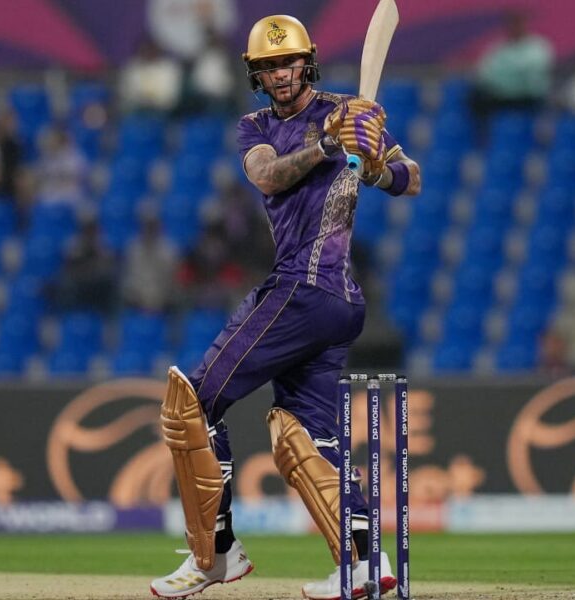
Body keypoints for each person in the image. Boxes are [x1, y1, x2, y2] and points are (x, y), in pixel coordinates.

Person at [149, 14, 421, 600]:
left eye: (287, 61)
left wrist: (375, 167)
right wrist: (330, 144)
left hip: (305, 288)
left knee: (192, 405)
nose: (279, 73)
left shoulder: (348, 110)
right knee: (304, 437)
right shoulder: (256, 128)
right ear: (256, 73)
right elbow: (269, 177)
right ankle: (365, 565)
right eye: (267, 65)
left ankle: (215, 555)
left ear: (308, 61)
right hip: (335, 303)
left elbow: (411, 178)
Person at [470, 10, 554, 120]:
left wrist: (507, 75)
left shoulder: (539, 46)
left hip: (529, 98)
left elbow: (532, 72)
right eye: (511, 23)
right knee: (474, 96)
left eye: (518, 23)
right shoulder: (498, 48)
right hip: (501, 96)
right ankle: (484, 134)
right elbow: (484, 73)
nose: (514, 27)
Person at [46, 215, 118, 314]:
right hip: (78, 282)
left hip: (97, 283)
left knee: (110, 283)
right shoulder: (73, 242)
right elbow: (70, 265)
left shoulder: (103, 242)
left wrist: (95, 252)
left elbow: (107, 265)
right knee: (65, 283)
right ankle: (66, 317)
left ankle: (108, 318)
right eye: (86, 228)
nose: (89, 231)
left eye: (91, 228)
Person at [121, 207, 179, 313]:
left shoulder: (169, 249)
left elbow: (170, 281)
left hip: (164, 303)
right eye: (147, 225)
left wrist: (157, 301)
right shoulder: (133, 248)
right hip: (136, 302)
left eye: (152, 225)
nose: (149, 229)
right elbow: (130, 280)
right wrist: (140, 299)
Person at [118, 39, 183, 115]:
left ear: (157, 51)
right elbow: (126, 93)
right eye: (144, 50)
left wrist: (152, 101)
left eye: (150, 50)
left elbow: (171, 97)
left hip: (163, 111)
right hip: (136, 110)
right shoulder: (132, 68)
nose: (148, 53)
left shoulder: (169, 68)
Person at [34, 126, 88, 209]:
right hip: (48, 196)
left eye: (53, 140)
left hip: (71, 197)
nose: (50, 143)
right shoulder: (44, 158)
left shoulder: (75, 157)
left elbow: (82, 178)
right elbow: (39, 178)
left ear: (60, 141)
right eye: (49, 140)